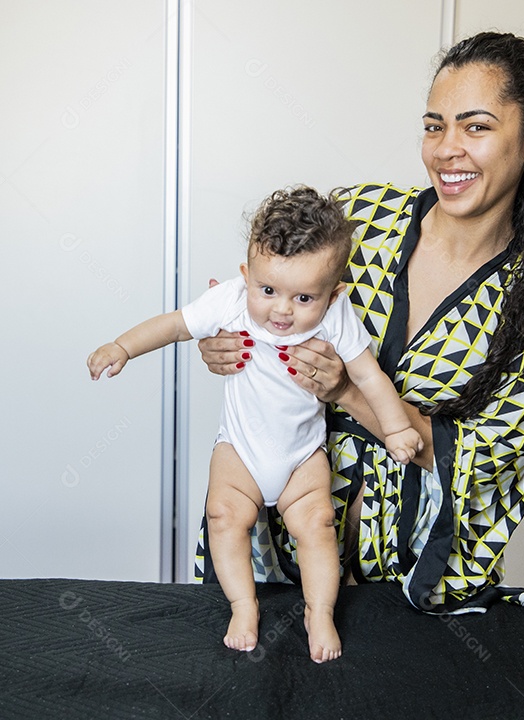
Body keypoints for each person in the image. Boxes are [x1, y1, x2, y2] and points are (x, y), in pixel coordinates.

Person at [196, 32, 524, 615]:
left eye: (476, 127)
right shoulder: (360, 217)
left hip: (407, 581)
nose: (447, 149)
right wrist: (225, 344)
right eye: (435, 126)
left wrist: (350, 392)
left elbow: (484, 458)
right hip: (274, 551)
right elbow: (269, 302)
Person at [88, 186, 423, 662]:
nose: (282, 310)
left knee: (319, 525)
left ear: (334, 293)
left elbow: (369, 375)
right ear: (246, 276)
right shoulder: (230, 301)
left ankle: (320, 610)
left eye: (303, 297)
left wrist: (395, 429)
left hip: (302, 455)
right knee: (224, 517)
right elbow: (175, 325)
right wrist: (121, 347)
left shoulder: (336, 317)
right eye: (267, 290)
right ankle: (243, 606)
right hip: (240, 451)